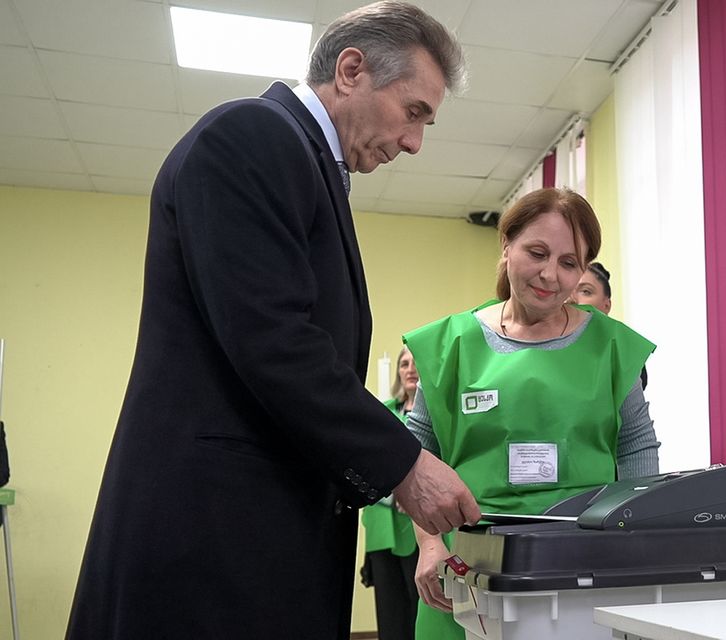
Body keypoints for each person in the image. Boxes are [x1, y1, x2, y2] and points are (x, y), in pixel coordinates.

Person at [66, 3, 480, 638]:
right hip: (213, 537)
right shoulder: (252, 136)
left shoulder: (303, 162)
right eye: (414, 111)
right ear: (350, 71)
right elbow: (272, 339)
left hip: (254, 534)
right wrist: (404, 464)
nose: (415, 141)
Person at [403, 188, 660, 639]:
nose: (550, 275)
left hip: (582, 562)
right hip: (466, 565)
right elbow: (415, 456)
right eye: (537, 252)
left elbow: (637, 449)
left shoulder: (613, 348)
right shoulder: (450, 346)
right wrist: (427, 545)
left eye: (569, 263)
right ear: (506, 246)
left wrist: (631, 546)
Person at [361, 346, 420, 640]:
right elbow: (367, 463)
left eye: (415, 362)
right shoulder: (382, 413)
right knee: (390, 610)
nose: (410, 369)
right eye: (404, 363)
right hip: (382, 527)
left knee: (420, 608)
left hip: (420, 528)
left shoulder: (436, 414)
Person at [570, 261, 648, 389]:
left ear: (606, 305)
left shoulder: (623, 353)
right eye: (567, 289)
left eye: (585, 291)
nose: (571, 298)